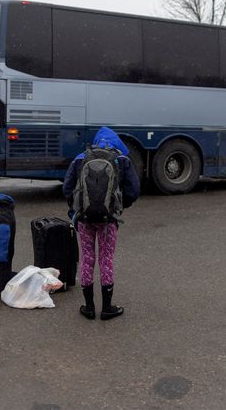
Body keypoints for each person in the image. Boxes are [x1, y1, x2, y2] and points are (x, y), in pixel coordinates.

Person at [63, 127, 140, 320]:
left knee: (87, 259)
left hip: (84, 219)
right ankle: (107, 308)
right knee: (106, 260)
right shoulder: (121, 160)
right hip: (108, 220)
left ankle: (89, 307)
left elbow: (67, 188)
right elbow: (134, 190)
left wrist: (76, 210)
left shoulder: (81, 158)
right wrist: (119, 207)